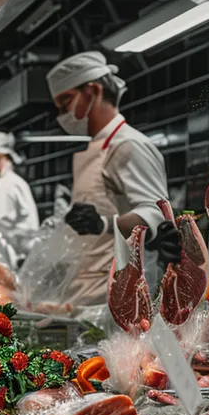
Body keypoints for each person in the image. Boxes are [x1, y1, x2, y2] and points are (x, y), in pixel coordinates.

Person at [46, 51, 175, 305]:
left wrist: (104, 224)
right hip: (89, 290)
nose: (61, 114)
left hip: (121, 293)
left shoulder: (129, 144)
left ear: (92, 91)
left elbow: (157, 214)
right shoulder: (99, 146)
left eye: (66, 101)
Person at [0, 131, 39, 263]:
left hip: (16, 257)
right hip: (13, 254)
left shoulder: (8, 184)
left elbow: (0, 223)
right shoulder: (6, 182)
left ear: (0, 157)